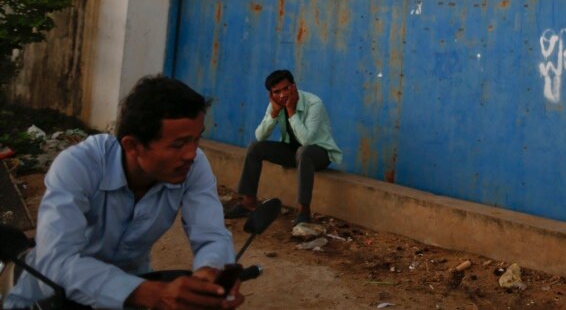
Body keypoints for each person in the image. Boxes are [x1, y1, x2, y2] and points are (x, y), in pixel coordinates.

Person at [3, 75, 243, 309]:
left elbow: (211, 234)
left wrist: (209, 275)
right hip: (50, 295)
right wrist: (151, 294)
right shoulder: (78, 165)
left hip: (132, 289)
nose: (191, 154)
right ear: (132, 145)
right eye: (178, 144)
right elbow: (57, 261)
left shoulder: (194, 165)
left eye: (196, 140)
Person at [225, 70, 342, 226]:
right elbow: (260, 136)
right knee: (255, 147)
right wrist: (274, 113)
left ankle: (303, 211)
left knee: (304, 151)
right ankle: (248, 203)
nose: (281, 95)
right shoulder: (275, 105)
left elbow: (306, 140)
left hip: (318, 153)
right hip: (293, 152)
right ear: (271, 94)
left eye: (285, 88)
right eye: (276, 92)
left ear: (293, 87)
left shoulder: (314, 103)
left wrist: (291, 110)